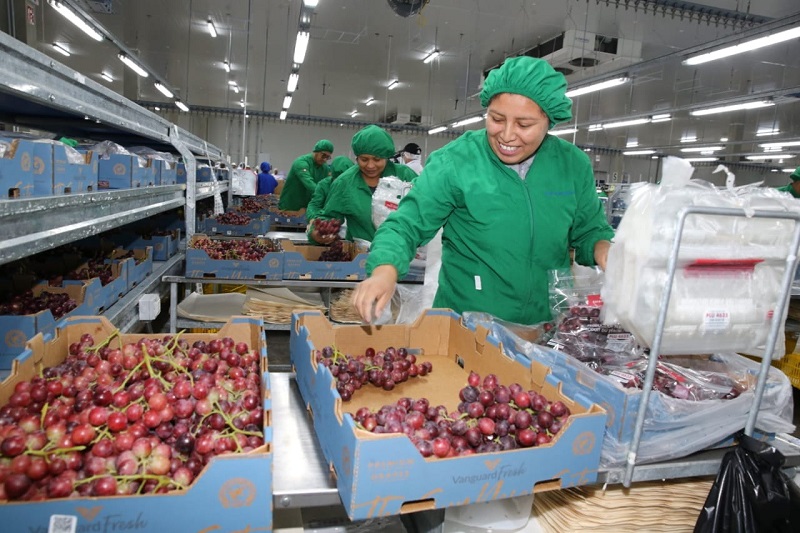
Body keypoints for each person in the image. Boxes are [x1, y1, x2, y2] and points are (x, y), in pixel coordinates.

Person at [352, 56, 615, 324]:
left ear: (550, 121)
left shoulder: (571, 165)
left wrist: (604, 250)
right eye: (497, 119)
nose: (507, 135)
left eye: (524, 125)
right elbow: (407, 223)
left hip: (544, 328)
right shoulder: (456, 161)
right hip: (467, 326)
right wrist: (385, 269)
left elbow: (590, 230)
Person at [308, 125, 417, 244]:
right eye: (364, 159)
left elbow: (424, 208)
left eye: (377, 160)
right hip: (362, 257)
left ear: (386, 157)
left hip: (404, 253)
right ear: (357, 158)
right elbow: (329, 218)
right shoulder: (345, 183)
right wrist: (317, 233)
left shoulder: (405, 176)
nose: (370, 166)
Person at [278, 139, 334, 211]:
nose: (325, 159)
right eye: (323, 155)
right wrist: (323, 195)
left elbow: (328, 184)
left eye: (328, 157)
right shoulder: (301, 162)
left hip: (307, 209)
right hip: (290, 208)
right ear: (316, 151)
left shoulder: (325, 168)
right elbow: (309, 183)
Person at [306, 156, 355, 222]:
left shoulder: (357, 186)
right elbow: (314, 205)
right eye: (337, 181)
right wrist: (315, 219)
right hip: (329, 223)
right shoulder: (324, 185)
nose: (339, 184)